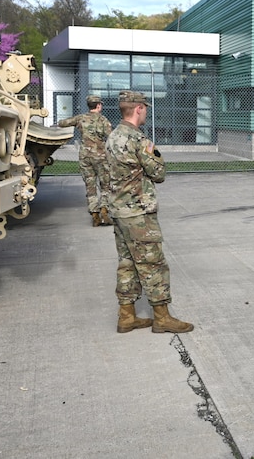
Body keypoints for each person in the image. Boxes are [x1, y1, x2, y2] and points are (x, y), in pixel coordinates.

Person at [106, 90, 193, 334]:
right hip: (138, 214)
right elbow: (159, 174)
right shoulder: (138, 140)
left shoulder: (112, 136)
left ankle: (127, 316)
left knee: (127, 263)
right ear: (139, 109)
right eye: (146, 107)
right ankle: (162, 318)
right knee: (153, 264)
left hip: (119, 211)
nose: (146, 112)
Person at [57, 94, 113, 227]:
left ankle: (95, 214)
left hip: (85, 156)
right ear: (98, 106)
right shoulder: (103, 120)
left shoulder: (80, 118)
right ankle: (104, 210)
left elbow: (63, 123)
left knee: (90, 186)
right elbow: (111, 137)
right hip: (100, 156)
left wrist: (59, 123)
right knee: (105, 185)